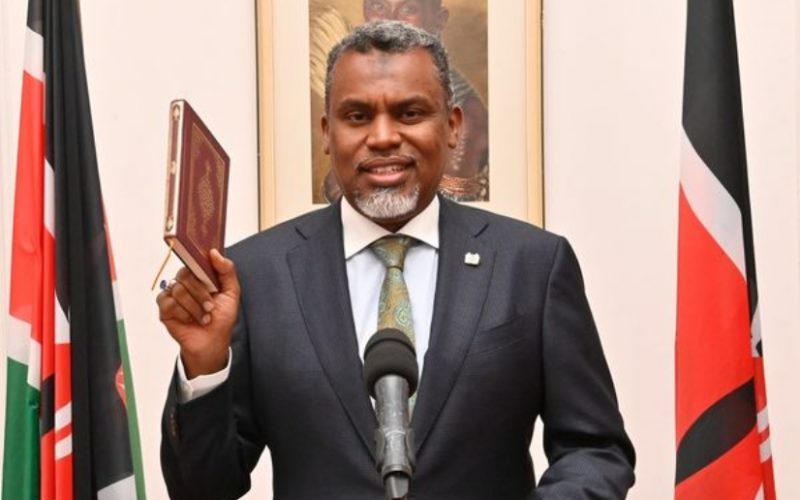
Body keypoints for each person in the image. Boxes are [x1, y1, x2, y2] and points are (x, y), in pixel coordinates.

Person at [157, 21, 635, 499]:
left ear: (452, 126)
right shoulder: (257, 276)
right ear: (327, 133)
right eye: (358, 116)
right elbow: (203, 489)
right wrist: (205, 364)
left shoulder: (532, 266)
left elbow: (595, 451)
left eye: (409, 113)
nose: (383, 137)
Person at [318, 0, 489, 202]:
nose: (390, 21)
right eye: (378, 7)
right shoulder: (353, 90)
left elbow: (448, 220)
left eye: (409, 9)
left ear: (439, 20)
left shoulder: (469, 119)